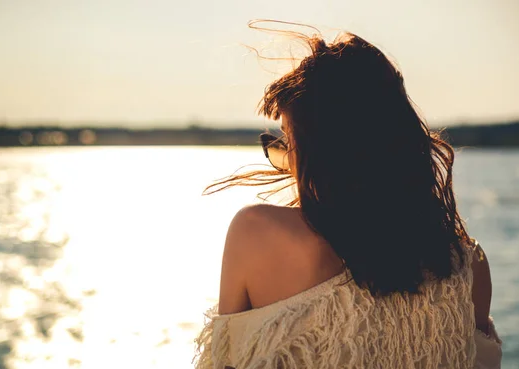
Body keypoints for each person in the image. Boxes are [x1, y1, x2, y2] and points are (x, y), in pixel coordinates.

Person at [194, 25, 502, 369]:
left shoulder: (257, 231)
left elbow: (224, 361)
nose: (288, 165)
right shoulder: (468, 267)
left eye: (289, 144)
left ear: (324, 154)